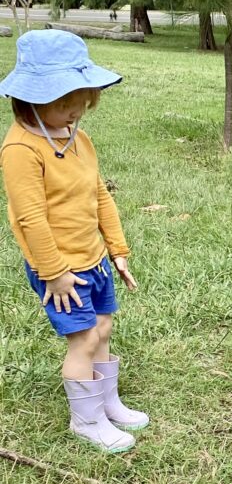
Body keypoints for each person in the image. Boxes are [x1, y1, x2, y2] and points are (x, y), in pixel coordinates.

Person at [0, 30, 144, 453]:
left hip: (93, 258)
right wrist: (55, 273)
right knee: (82, 340)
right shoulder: (21, 150)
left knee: (102, 328)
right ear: (30, 98)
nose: (76, 110)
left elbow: (99, 195)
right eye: (64, 102)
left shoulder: (78, 139)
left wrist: (117, 251)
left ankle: (107, 402)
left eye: (82, 100)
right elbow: (30, 218)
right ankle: (86, 420)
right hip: (60, 267)